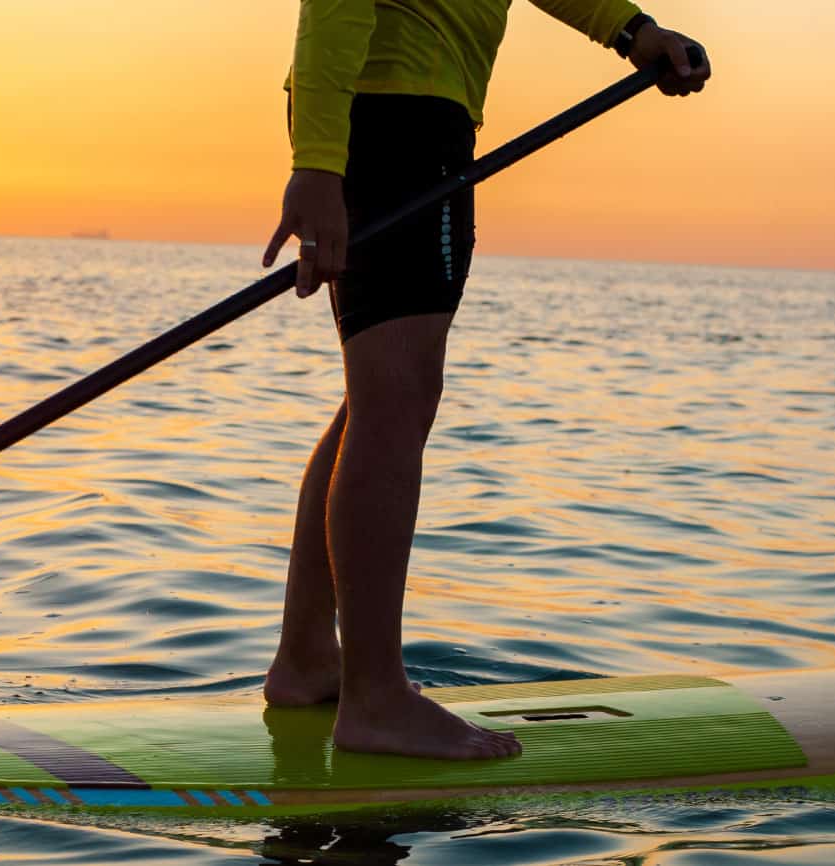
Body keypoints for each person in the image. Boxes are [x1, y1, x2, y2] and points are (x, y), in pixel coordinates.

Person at [261, 1, 711, 761]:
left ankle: (310, 658)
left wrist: (633, 32)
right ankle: (374, 698)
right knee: (393, 403)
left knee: (378, 402)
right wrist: (317, 164)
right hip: (396, 120)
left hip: (394, 118)